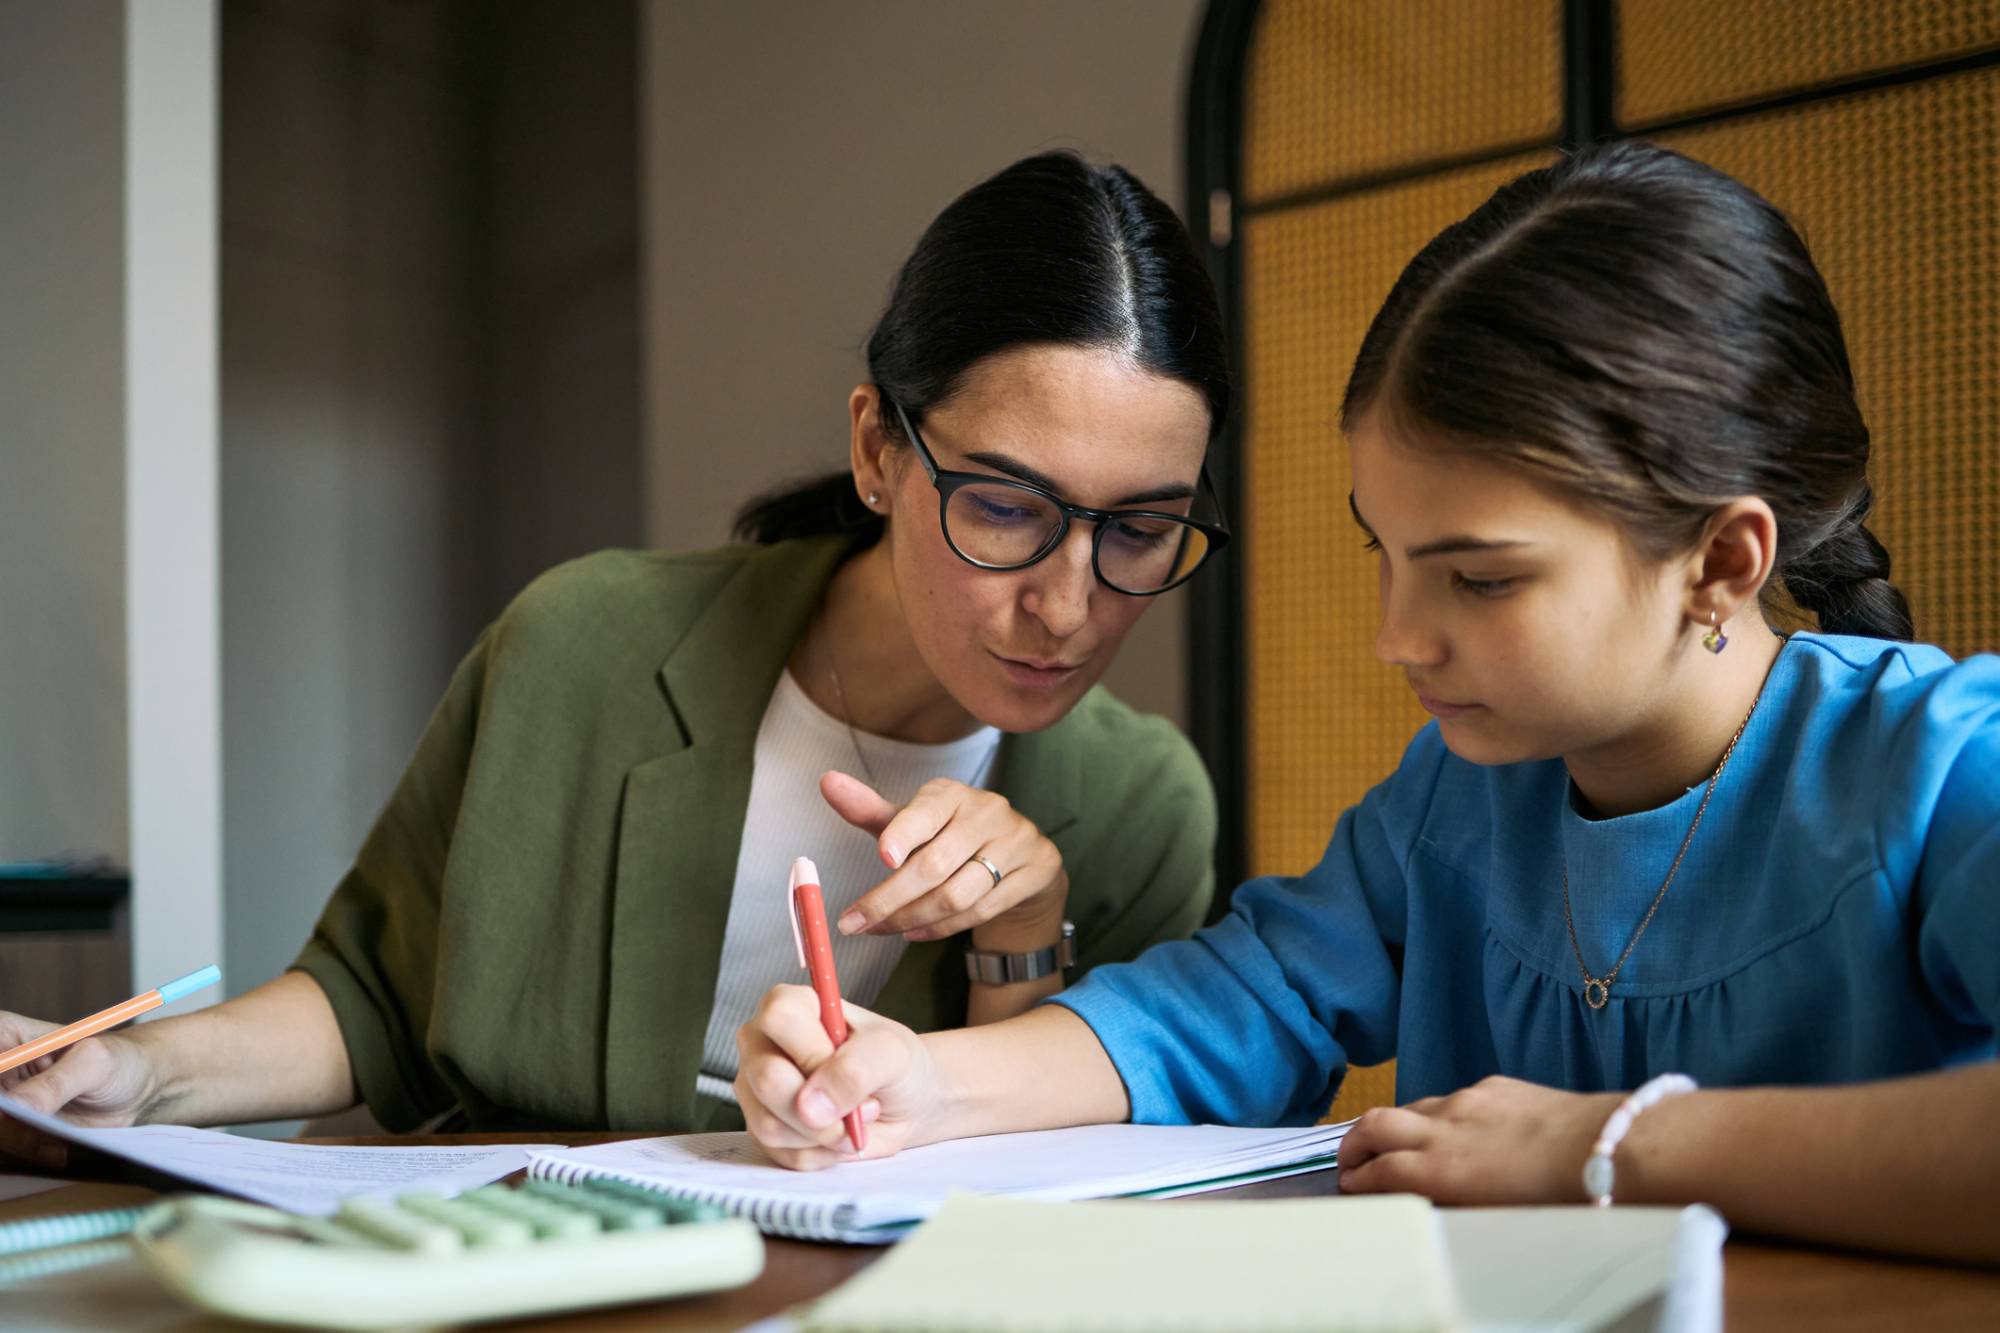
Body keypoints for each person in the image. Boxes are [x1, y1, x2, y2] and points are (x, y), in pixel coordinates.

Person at [733, 141, 2000, 1265]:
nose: (1397, 638)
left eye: (1478, 578)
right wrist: (914, 1079)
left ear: (1720, 562)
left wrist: (1607, 1148)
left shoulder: (1951, 770)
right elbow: (1218, 1010)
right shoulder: (1452, 803)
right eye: (1380, 556)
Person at [0, 151, 1231, 1153]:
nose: (1069, 604)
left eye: (1139, 527)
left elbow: (1051, 1187)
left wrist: (1023, 936)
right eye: (1008, 507)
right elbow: (374, 1000)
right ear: (876, 451)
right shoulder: (580, 647)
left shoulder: (1134, 808)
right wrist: (135, 1068)